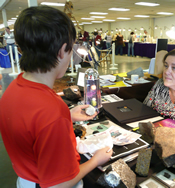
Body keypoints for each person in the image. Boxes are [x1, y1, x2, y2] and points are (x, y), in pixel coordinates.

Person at [0, 6, 112, 188]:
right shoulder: (51, 108)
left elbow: (31, 126)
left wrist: (67, 116)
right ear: (61, 51)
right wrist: (96, 160)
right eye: (71, 50)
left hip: (25, 179)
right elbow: (59, 184)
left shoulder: (14, 88)